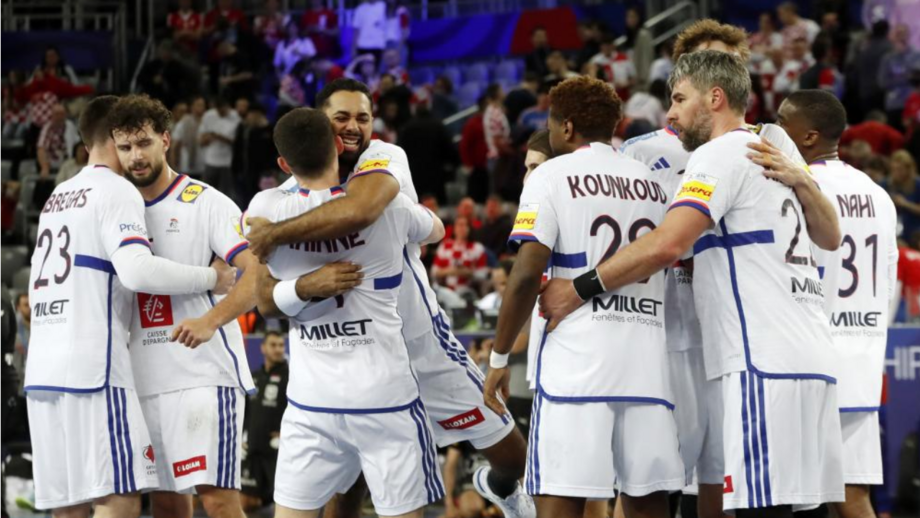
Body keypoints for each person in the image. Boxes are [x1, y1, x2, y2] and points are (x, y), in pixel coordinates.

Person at [540, 50, 845, 518]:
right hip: (811, 355)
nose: (671, 113)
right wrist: (804, 182)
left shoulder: (718, 154)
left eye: (680, 99)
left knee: (759, 510)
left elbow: (667, 244)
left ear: (715, 98)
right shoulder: (772, 150)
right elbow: (831, 236)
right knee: (788, 509)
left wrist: (578, 287)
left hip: (761, 359)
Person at [245, 79, 534, 518]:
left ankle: (501, 489)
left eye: (363, 117)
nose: (353, 126)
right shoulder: (282, 197)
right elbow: (263, 295)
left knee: (512, 457)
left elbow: (360, 210)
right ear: (320, 124)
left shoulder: (383, 158)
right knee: (347, 487)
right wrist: (305, 284)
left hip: (423, 346)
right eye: (341, 117)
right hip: (359, 365)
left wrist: (275, 235)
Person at [22, 95, 236, 518]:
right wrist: (212, 278)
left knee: (68, 508)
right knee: (119, 496)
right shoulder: (116, 189)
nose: (135, 156)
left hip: (42, 370)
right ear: (113, 137)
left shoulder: (57, 195)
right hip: (93, 368)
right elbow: (138, 271)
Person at [483, 75, 683, 518]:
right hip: (647, 363)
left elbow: (525, 275)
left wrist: (498, 358)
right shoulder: (654, 184)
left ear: (567, 127)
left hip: (577, 363)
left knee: (561, 496)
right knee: (647, 500)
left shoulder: (550, 175)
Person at [246, 106, 446, 518]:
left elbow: (265, 304)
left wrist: (302, 285)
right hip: (386, 399)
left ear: (283, 165)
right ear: (339, 145)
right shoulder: (391, 208)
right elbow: (436, 229)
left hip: (310, 404)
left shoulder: (265, 210)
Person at [106, 94, 261, 518]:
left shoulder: (206, 201)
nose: (136, 156)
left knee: (218, 501)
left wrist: (211, 320)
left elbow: (258, 273)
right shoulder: (115, 209)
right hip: (142, 379)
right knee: (167, 506)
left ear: (166, 139)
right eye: (125, 147)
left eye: (143, 143)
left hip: (202, 376)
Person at [762, 89, 897, 518]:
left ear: (809, 137)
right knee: (852, 497)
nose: (771, 130)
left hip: (810, 359)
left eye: (782, 122)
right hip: (861, 358)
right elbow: (888, 281)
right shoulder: (877, 193)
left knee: (791, 497)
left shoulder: (798, 188)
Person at [241, 331, 289, 511]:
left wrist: (286, 433)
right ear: (263, 348)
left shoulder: (291, 376)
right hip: (253, 449)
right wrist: (242, 437)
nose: (278, 349)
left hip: (277, 451)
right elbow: (246, 412)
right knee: (246, 503)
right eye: (273, 345)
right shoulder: (254, 377)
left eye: (281, 345)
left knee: (285, 503)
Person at [397, 105, 459, 204]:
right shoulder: (438, 126)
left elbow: (400, 151)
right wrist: (455, 164)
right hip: (436, 174)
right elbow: (449, 149)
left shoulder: (407, 127)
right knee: (438, 206)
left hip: (414, 175)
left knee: (416, 205)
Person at [878, 24, 920, 130]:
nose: (901, 37)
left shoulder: (917, 56)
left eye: (903, 34)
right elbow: (883, 83)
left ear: (908, 36)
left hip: (913, 104)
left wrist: (898, 78)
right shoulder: (887, 58)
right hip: (894, 105)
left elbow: (915, 78)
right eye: (898, 34)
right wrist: (906, 77)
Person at [432, 216, 489, 294]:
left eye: (465, 225)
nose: (462, 228)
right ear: (454, 228)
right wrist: (450, 271)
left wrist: (469, 273)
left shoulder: (477, 248)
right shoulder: (445, 245)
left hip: (467, 292)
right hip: (445, 290)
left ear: (469, 228)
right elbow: (434, 272)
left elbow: (483, 274)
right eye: (459, 225)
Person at [199, 97, 241, 199]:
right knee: (207, 193)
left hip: (227, 163)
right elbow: (201, 139)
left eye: (223, 111)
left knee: (226, 194)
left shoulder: (236, 117)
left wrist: (217, 136)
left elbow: (236, 142)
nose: (220, 113)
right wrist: (208, 138)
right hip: (210, 161)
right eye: (218, 110)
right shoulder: (208, 115)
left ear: (228, 107)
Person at [883, 150, 920, 239]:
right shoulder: (885, 184)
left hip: (914, 230)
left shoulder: (917, 184)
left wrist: (905, 203)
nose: (896, 173)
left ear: (908, 169)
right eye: (893, 169)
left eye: (899, 169)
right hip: (891, 230)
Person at [36, 103, 79, 178]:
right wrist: (44, 167)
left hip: (68, 163)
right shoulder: (47, 128)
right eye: (57, 114)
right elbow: (41, 149)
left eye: (62, 114)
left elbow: (78, 146)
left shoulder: (70, 126)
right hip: (51, 164)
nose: (59, 117)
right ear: (52, 115)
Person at [170, 96, 208, 178]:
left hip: (203, 167)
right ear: (192, 107)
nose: (202, 107)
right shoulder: (184, 122)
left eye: (203, 105)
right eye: (199, 105)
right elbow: (174, 146)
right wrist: (173, 167)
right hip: (186, 167)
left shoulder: (208, 122)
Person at [840, 110, 904, 155]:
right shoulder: (887, 131)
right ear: (883, 121)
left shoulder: (853, 130)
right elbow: (898, 138)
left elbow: (838, 145)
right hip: (878, 163)